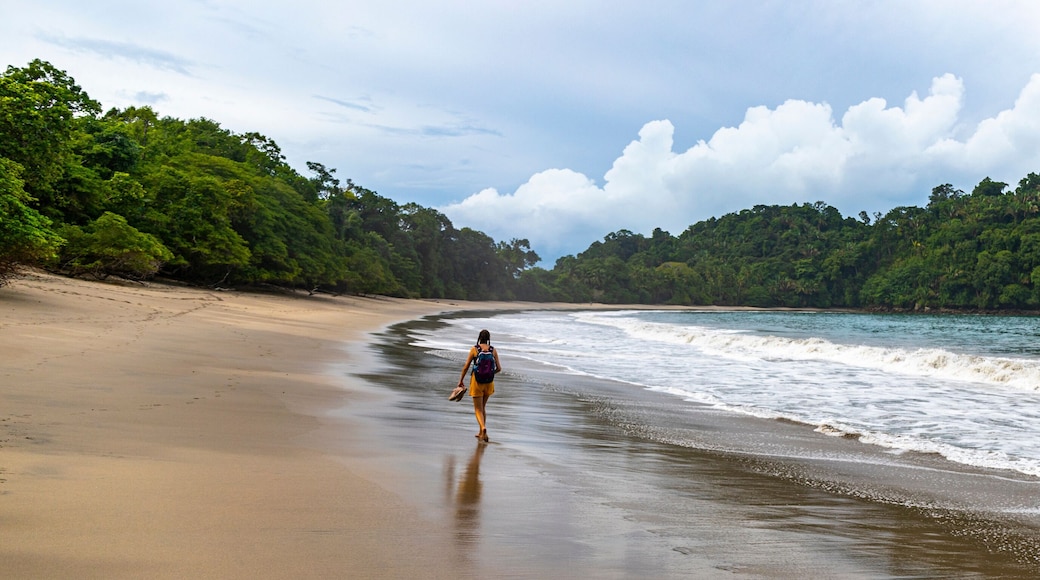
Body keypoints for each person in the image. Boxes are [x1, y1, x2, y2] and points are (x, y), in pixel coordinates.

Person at [457, 329, 501, 442]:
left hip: (477, 382)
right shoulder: (493, 350)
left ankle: (483, 427)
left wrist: (460, 381)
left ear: (479, 338)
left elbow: (466, 367)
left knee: (478, 409)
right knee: (483, 408)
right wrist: (491, 373)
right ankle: (481, 433)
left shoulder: (474, 349)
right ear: (488, 339)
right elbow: (499, 369)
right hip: (489, 383)